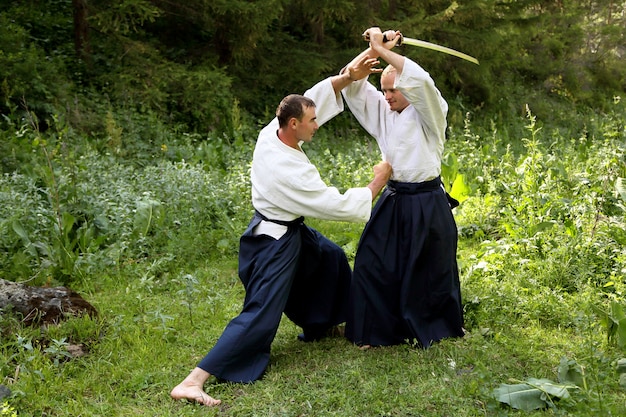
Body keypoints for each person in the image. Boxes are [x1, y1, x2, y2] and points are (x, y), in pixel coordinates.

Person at [170, 68, 392, 406]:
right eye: (312, 121)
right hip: (274, 243)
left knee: (330, 257)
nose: (318, 124)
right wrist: (378, 180)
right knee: (261, 311)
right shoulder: (291, 173)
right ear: (294, 125)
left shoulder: (270, 133)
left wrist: (353, 71)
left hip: (289, 229)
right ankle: (193, 380)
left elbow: (314, 95)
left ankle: (322, 325)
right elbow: (339, 205)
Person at [340, 27, 464, 349]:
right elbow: (350, 83)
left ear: (407, 89)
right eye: (383, 90)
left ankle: (431, 327)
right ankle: (375, 330)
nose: (387, 96)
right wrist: (373, 49)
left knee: (426, 269)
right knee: (372, 259)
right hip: (394, 197)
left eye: (393, 90)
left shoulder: (431, 115)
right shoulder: (385, 112)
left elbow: (421, 81)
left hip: (427, 200)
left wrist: (384, 51)